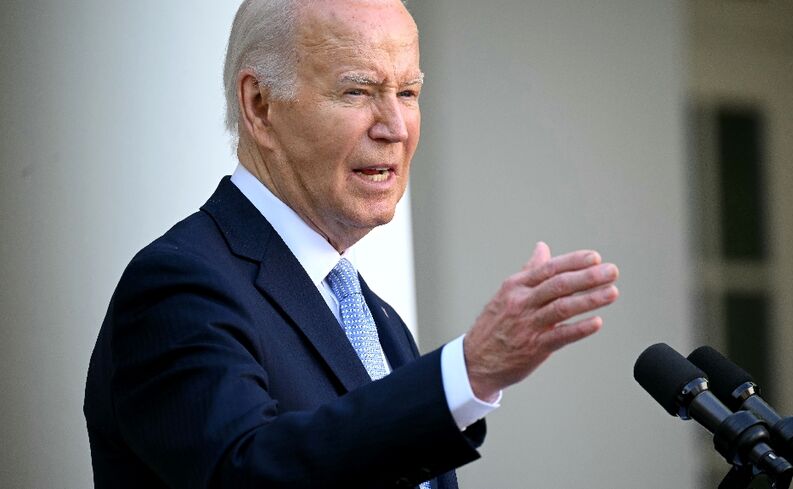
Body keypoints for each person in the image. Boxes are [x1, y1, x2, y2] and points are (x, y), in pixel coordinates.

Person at [83, 0, 620, 488]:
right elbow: (246, 477)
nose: (394, 127)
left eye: (407, 93)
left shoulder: (375, 317)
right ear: (260, 105)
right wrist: (465, 374)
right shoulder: (181, 285)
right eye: (357, 91)